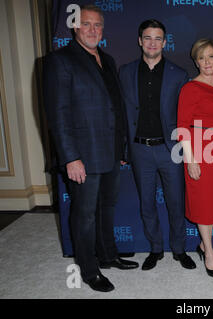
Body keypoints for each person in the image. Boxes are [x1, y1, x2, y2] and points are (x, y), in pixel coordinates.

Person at [43, 4, 138, 293]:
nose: (93, 30)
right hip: (83, 154)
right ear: (74, 27)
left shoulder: (107, 59)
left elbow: (116, 108)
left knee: (106, 207)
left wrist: (121, 150)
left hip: (109, 151)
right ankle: (88, 268)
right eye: (87, 24)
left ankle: (108, 254)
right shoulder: (60, 61)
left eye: (98, 25)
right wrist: (71, 157)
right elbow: (57, 114)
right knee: (84, 214)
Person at [119, 19, 196, 271]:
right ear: (140, 40)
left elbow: (186, 118)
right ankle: (155, 248)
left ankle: (179, 249)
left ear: (165, 42)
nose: (153, 43)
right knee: (147, 203)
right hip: (139, 149)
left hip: (169, 148)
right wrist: (123, 148)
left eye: (158, 38)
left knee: (176, 202)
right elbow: (121, 114)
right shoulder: (126, 72)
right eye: (148, 38)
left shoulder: (179, 74)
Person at [177, 39, 213, 278]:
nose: (207, 62)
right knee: (203, 203)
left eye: (211, 56)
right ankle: (209, 252)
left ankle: (203, 245)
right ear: (195, 61)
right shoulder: (190, 88)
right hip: (200, 150)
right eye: (202, 58)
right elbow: (182, 126)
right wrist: (190, 159)